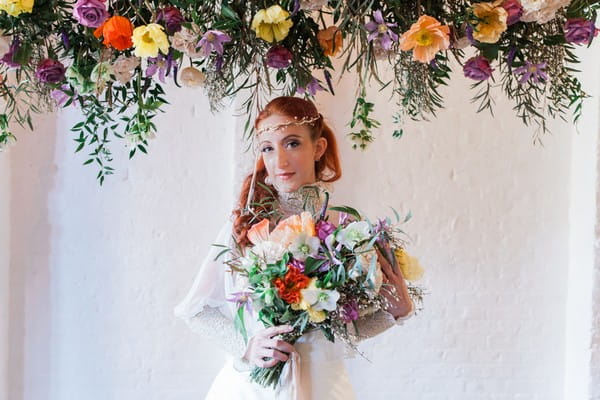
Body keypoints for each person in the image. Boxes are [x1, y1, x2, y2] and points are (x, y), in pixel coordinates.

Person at [174, 96, 414, 399]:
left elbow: (344, 330)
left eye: (292, 144)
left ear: (318, 148)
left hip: (323, 385)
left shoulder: (349, 229)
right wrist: (248, 347)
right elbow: (195, 310)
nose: (280, 162)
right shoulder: (247, 226)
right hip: (252, 389)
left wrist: (396, 312)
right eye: (268, 149)